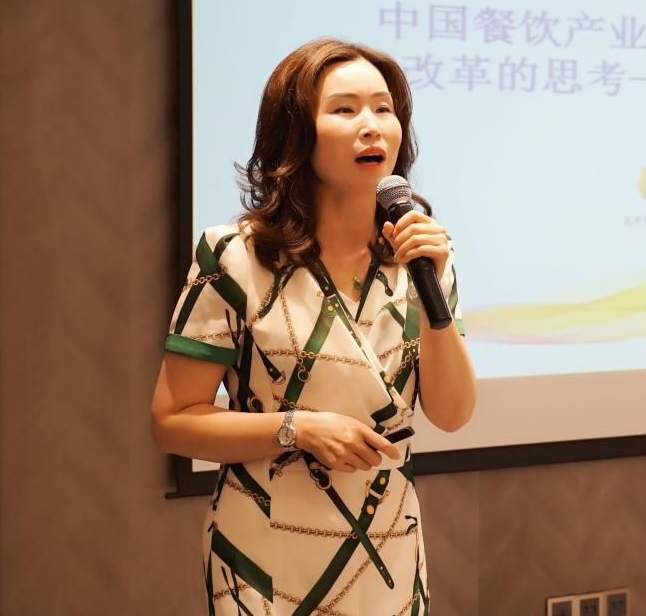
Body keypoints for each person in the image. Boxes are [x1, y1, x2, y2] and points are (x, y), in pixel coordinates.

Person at [150, 38, 477, 615]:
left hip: (387, 543)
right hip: (265, 546)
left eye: (384, 108)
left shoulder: (422, 256)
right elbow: (172, 422)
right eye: (345, 110)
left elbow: (451, 414)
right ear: (296, 134)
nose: (372, 126)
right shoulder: (235, 256)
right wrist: (295, 428)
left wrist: (433, 291)